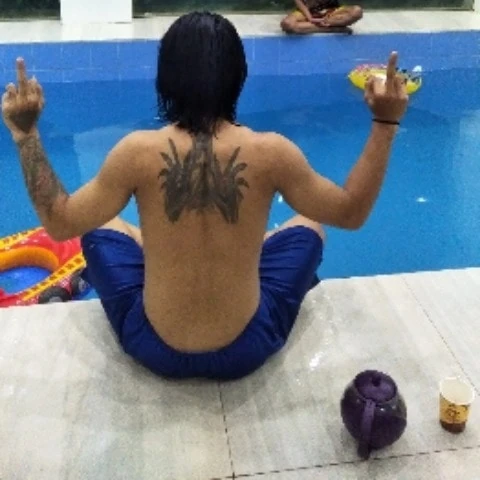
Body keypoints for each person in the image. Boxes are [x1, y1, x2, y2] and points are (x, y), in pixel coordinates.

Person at [1, 12, 408, 381]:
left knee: (100, 222)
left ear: (166, 79)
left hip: (153, 346)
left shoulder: (136, 152)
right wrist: (385, 122)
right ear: (238, 76)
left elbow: (60, 222)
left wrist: (26, 134)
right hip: (247, 348)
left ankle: (151, 244)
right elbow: (351, 212)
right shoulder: (272, 153)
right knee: (310, 224)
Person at [281, 0, 363, 34]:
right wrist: (310, 18)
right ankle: (333, 29)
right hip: (307, 12)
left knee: (357, 11)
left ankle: (328, 23)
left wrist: (328, 20)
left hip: (331, 11)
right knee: (287, 24)